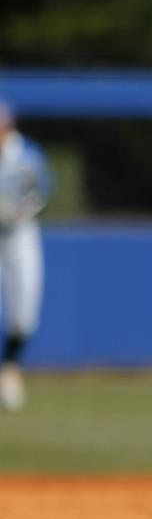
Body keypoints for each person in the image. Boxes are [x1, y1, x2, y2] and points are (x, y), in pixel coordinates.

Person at [0, 104, 51, 411]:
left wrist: (17, 210)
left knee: (24, 313)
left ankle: (10, 368)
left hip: (19, 235)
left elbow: (42, 194)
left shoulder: (26, 156)